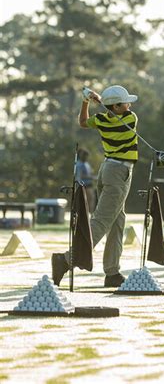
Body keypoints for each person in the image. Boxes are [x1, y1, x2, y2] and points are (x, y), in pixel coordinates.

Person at [52, 85, 139, 287]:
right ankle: (65, 260)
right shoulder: (130, 118)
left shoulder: (101, 120)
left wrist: (86, 102)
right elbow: (119, 112)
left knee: (117, 222)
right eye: (125, 102)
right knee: (101, 222)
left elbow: (83, 122)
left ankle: (112, 272)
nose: (129, 105)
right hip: (119, 173)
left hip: (108, 170)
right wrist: (100, 100)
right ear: (117, 107)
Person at [75, 148, 95, 213]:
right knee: (85, 202)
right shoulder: (79, 164)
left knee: (91, 201)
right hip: (84, 185)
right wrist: (92, 177)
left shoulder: (86, 164)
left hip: (89, 185)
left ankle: (90, 216)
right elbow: (80, 176)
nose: (86, 157)